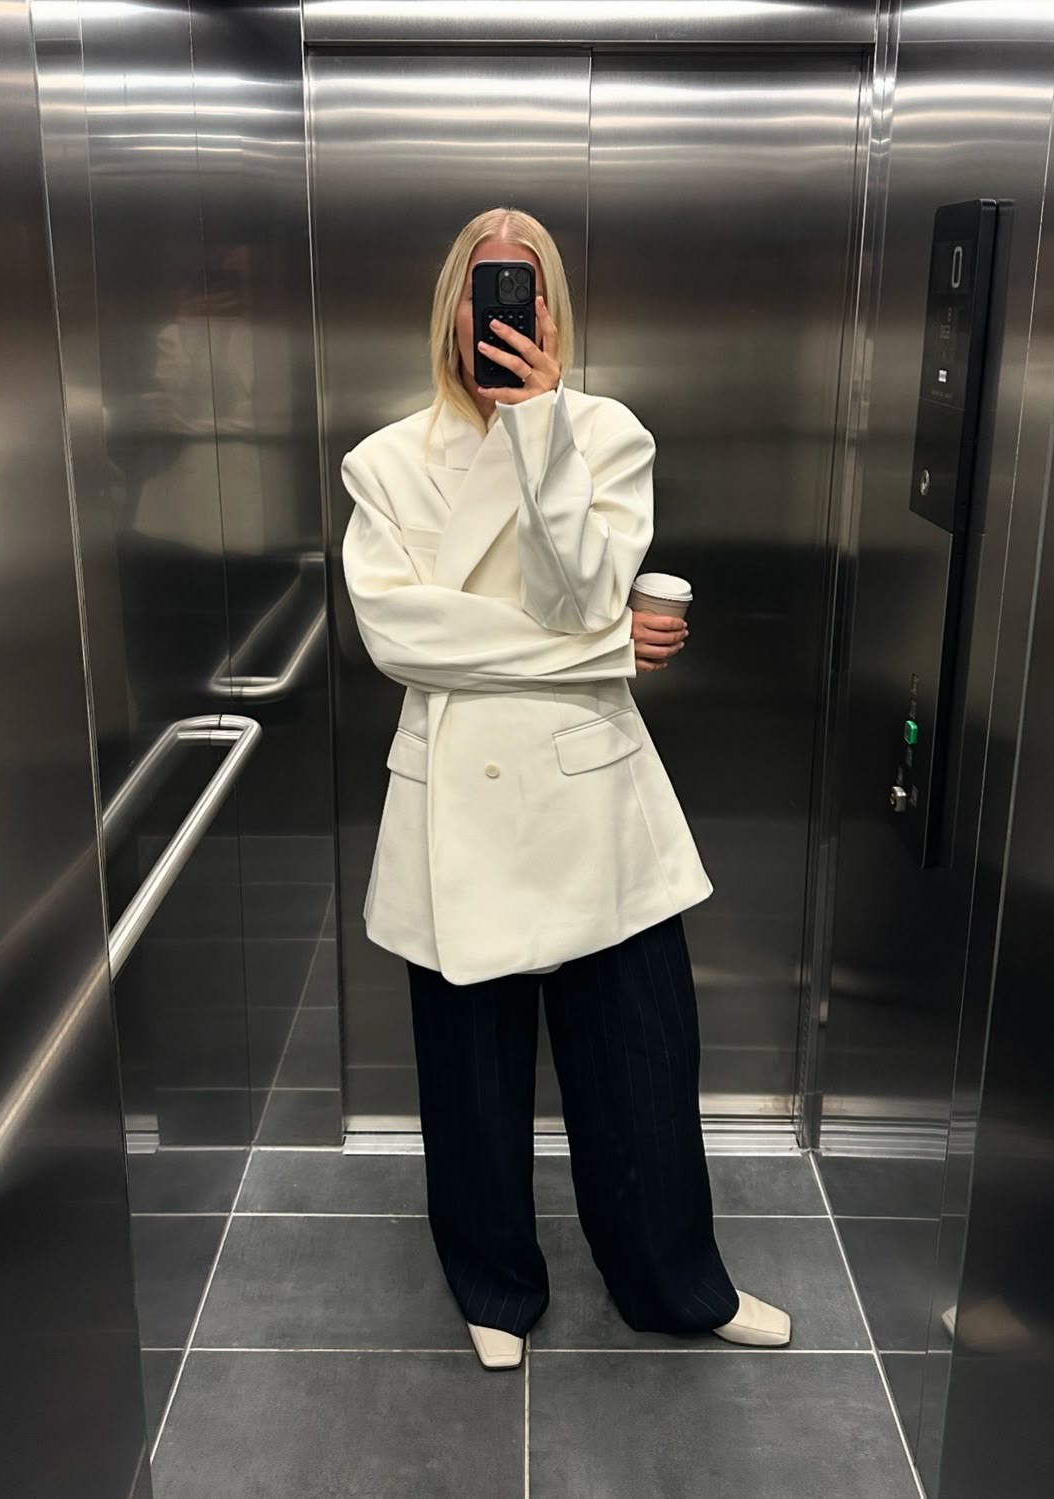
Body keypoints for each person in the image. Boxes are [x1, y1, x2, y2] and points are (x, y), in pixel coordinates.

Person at [340, 206, 791, 1369]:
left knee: (644, 1064)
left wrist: (539, 428)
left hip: (591, 789)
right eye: (483, 285)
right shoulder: (385, 461)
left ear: (553, 310)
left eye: (526, 285)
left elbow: (580, 589)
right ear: (451, 306)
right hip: (454, 798)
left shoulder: (606, 433)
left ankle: (676, 1284)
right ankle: (493, 1286)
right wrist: (603, 650)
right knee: (470, 1076)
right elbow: (400, 637)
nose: (504, 308)